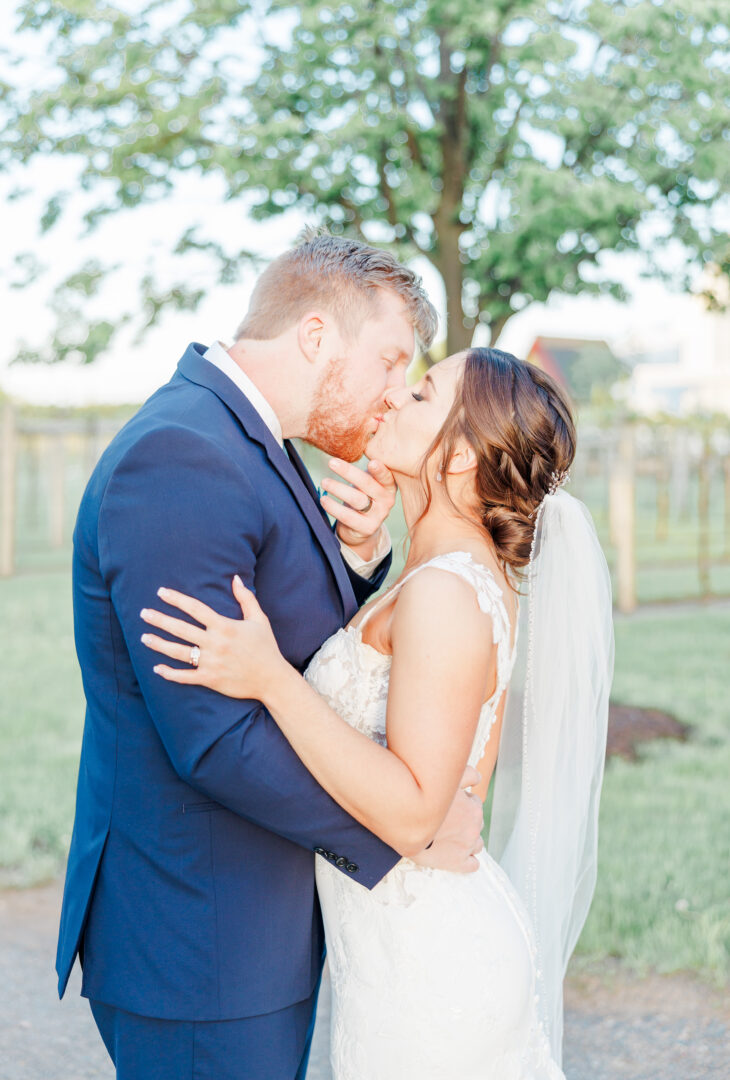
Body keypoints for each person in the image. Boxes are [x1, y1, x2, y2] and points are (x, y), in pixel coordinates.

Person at [56, 231, 486, 1080]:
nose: (393, 394)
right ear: (318, 337)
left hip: (250, 931)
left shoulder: (255, 441)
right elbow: (212, 737)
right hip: (199, 941)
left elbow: (293, 654)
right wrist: (404, 832)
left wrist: (361, 565)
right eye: (392, 361)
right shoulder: (181, 455)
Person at [142, 346, 615, 1080]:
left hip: (430, 966)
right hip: (395, 954)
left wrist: (271, 678)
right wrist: (368, 548)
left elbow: (415, 812)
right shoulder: (434, 576)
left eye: (423, 395)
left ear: (457, 457)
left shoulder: (445, 594)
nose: (396, 399)